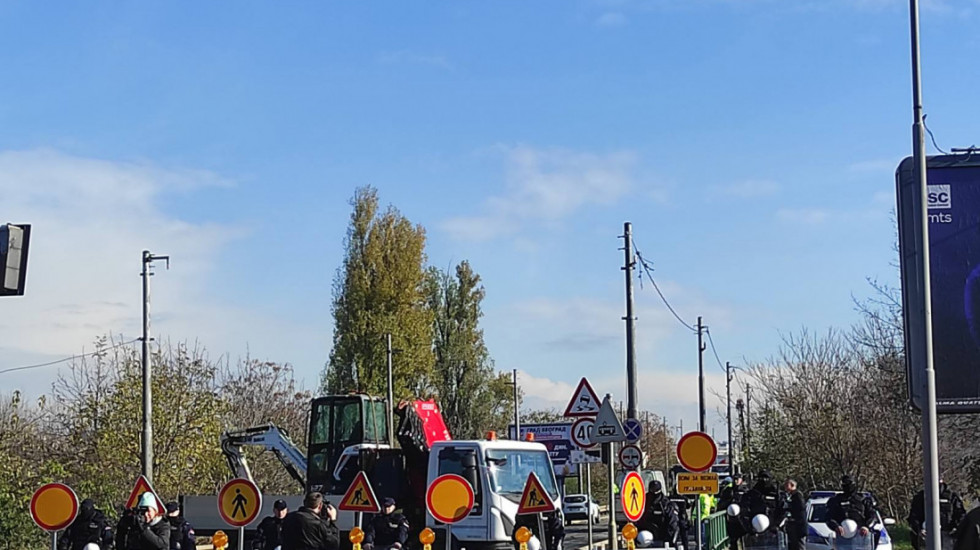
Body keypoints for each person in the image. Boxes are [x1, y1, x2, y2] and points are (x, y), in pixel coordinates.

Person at [910, 481, 966, 550]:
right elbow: (914, 517)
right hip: (926, 536)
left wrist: (955, 530)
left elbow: (961, 516)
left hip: (947, 538)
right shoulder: (921, 497)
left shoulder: (952, 497)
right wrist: (919, 530)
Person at [637, 480, 680, 546]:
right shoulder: (643, 501)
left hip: (662, 537)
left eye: (655, 490)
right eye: (652, 490)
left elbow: (673, 523)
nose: (654, 494)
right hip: (643, 535)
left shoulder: (666, 504)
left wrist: (669, 540)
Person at [719, 475, 746, 550]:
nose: (736, 481)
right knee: (733, 538)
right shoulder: (728, 491)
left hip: (742, 519)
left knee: (742, 538)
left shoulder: (744, 491)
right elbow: (722, 503)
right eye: (735, 479)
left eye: (738, 479)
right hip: (731, 519)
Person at [782, 479, 806, 550]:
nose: (785, 488)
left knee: (799, 546)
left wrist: (790, 507)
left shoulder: (797, 495)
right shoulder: (791, 496)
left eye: (787, 485)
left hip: (799, 527)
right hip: (794, 527)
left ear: (792, 486)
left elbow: (801, 507)